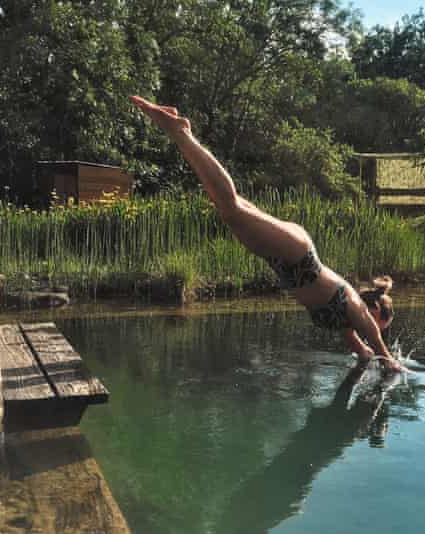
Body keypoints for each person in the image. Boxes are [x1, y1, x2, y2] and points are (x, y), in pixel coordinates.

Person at [131, 95, 402, 371]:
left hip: (285, 262)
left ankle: (181, 132)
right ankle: (181, 132)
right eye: (383, 325)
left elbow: (364, 351)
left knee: (229, 209)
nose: (379, 332)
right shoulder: (355, 307)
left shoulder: (346, 324)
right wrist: (390, 360)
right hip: (298, 256)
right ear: (377, 312)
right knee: (231, 207)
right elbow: (374, 336)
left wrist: (371, 357)